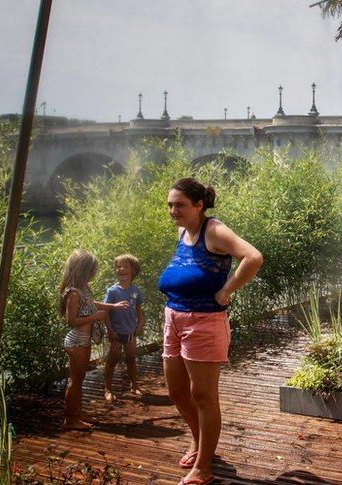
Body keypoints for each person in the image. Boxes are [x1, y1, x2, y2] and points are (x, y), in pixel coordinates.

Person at [157, 178, 263, 485]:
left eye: (179, 205)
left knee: (202, 395)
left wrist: (227, 290)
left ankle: (203, 467)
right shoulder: (182, 231)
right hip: (173, 316)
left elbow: (253, 257)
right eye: (170, 205)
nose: (173, 210)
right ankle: (199, 440)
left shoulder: (213, 230)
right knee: (177, 391)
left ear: (199, 205)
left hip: (204, 321)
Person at [58, 249, 129, 430]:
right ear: (83, 270)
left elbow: (92, 303)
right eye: (92, 270)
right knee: (75, 380)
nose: (94, 274)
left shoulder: (83, 289)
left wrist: (112, 306)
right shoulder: (73, 293)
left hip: (84, 340)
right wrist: (95, 317)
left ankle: (78, 413)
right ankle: (70, 419)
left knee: (79, 379)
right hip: (77, 341)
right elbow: (71, 321)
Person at [103, 253, 145, 403]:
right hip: (116, 333)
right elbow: (105, 312)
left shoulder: (136, 290)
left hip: (131, 332)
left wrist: (140, 325)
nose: (121, 269)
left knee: (131, 359)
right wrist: (110, 330)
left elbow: (139, 311)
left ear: (133, 270)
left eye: (125, 266)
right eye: (118, 266)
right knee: (112, 360)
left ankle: (134, 385)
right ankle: (108, 389)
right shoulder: (112, 291)